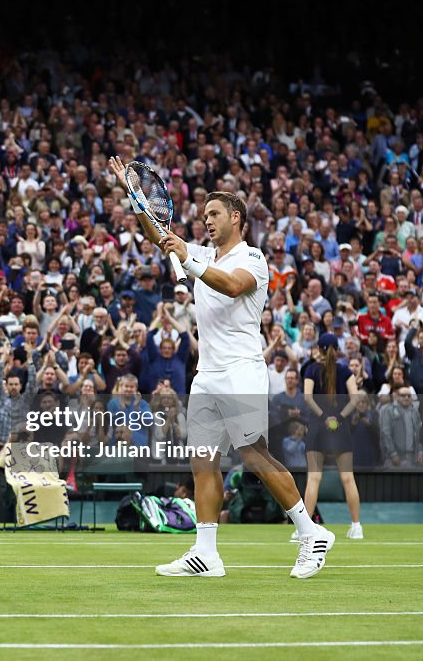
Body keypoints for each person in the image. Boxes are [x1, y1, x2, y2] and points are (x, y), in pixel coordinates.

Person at [110, 155, 334, 580]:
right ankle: (205, 553)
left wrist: (186, 257)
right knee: (202, 461)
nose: (206, 220)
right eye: (203, 215)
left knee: (252, 454)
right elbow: (160, 235)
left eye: (214, 214)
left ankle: (311, 533)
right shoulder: (201, 252)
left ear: (236, 217)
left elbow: (231, 287)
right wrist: (134, 194)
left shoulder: (252, 259)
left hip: (242, 369)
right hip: (208, 375)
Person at [302, 333, 363, 539]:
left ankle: (306, 528)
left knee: (314, 477)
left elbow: (308, 398)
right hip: (341, 428)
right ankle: (356, 526)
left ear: (319, 349)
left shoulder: (311, 369)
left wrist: (324, 417)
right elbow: (355, 399)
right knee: (348, 478)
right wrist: (338, 418)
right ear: (337, 349)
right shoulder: (345, 370)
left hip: (317, 427)